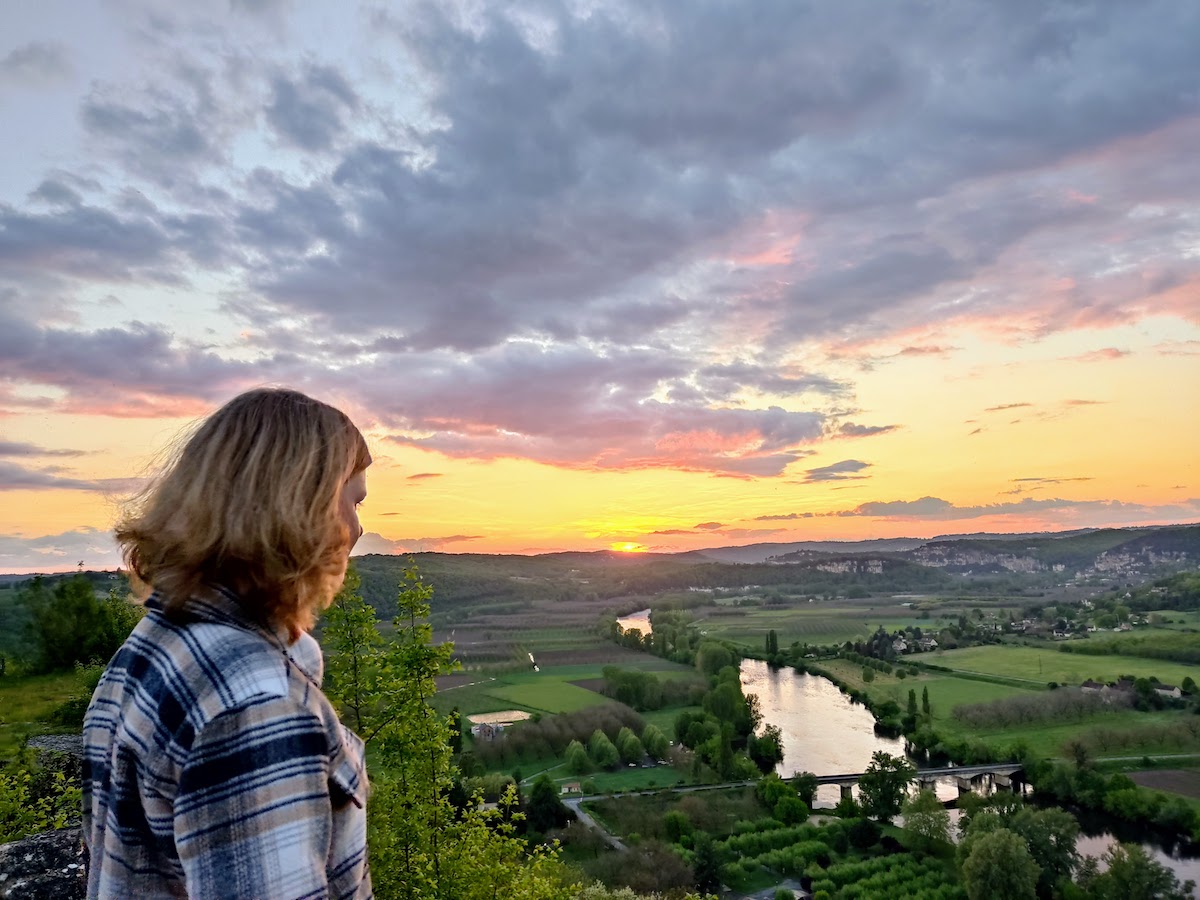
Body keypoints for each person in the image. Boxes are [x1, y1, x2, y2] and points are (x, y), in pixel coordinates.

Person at [82, 388, 373, 899]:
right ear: (297, 507)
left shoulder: (157, 646)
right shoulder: (256, 704)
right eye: (350, 501)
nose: (356, 529)